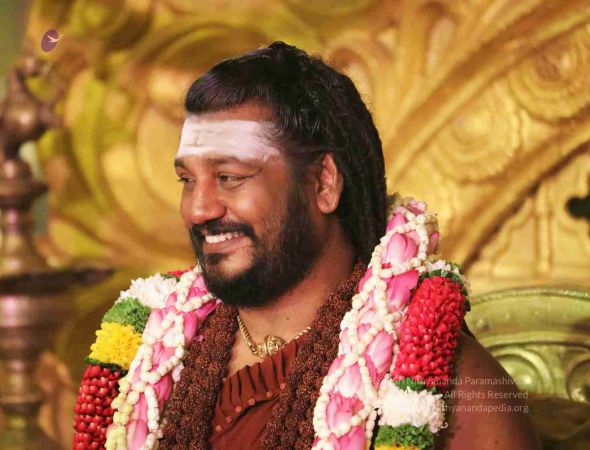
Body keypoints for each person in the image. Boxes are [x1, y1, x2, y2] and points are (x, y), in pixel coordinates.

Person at [74, 42, 542, 450]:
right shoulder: (147, 362)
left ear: (323, 183)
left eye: (229, 177)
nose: (198, 209)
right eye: (187, 180)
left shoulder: (448, 386)